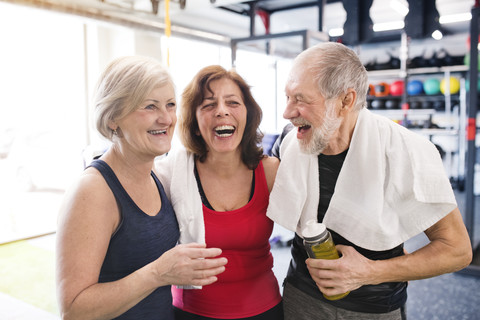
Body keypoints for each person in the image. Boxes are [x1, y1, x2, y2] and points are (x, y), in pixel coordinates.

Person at [267, 42, 472, 320]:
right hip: (300, 299)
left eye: (301, 99)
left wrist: (370, 272)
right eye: (288, 97)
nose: (287, 112)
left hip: (375, 309)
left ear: (345, 101)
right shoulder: (289, 143)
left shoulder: (405, 150)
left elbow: (457, 250)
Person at [55, 56, 227, 320]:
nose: (166, 118)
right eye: (150, 106)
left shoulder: (156, 175)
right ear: (113, 118)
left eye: (170, 105)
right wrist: (158, 273)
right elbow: (74, 309)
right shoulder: (92, 192)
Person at [155, 65, 283, 320]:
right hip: (190, 312)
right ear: (194, 121)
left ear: (247, 114)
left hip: (264, 310)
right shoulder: (171, 175)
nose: (222, 110)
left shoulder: (270, 171)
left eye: (233, 102)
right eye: (208, 105)